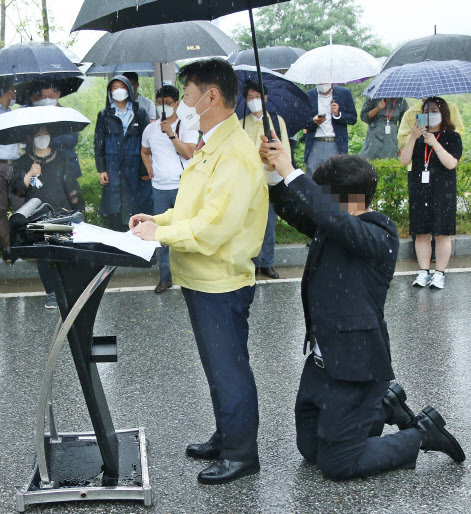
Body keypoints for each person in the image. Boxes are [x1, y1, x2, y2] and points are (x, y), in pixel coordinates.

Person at [259, 130, 465, 480]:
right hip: (323, 363)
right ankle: (385, 406)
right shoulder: (334, 223)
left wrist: (293, 171)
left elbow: (334, 219)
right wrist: (272, 172)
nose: (318, 201)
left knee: (338, 464)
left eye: (325, 195)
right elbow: (295, 208)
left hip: (357, 368)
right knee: (311, 450)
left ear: (349, 200)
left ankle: (421, 434)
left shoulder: (378, 235)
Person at [130, 58, 268, 484]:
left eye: (186, 96)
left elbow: (213, 228)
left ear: (211, 96)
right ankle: (228, 433)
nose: (181, 106)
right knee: (216, 364)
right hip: (202, 278)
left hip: (220, 281)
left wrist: (161, 235)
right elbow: (192, 208)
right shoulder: (211, 143)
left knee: (228, 367)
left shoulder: (235, 153)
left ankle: (242, 453)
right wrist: (159, 223)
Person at [11, 125, 84, 309]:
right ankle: (51, 292)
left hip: (61, 212)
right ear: (30, 137)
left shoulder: (61, 157)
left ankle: (67, 289)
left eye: (45, 134)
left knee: (64, 251)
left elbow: (71, 185)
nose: (42, 138)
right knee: (44, 255)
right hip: (37, 215)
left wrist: (78, 209)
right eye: (38, 135)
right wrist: (29, 174)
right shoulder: (22, 162)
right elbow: (18, 190)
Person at [141, 85, 198, 294]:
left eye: (167, 102)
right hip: (159, 189)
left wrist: (171, 134)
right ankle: (165, 276)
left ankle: (190, 274)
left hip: (183, 187)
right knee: (161, 233)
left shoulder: (189, 125)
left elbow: (189, 153)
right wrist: (149, 167)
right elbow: (145, 151)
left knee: (185, 230)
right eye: (159, 102)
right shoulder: (150, 128)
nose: (162, 106)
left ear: (176, 104)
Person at [400, 97, 462, 289]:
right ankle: (423, 271)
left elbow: (451, 163)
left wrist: (435, 143)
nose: (430, 115)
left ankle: (440, 273)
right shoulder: (418, 137)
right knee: (421, 232)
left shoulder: (452, 137)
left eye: (435, 111)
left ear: (443, 114)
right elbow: (404, 160)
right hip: (420, 189)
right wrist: (413, 137)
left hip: (443, 190)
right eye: (426, 111)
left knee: (442, 233)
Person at [241, 79, 291, 279]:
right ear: (245, 100)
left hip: (269, 180)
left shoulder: (276, 122)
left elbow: (285, 150)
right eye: (250, 97)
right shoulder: (240, 123)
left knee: (268, 224)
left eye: (257, 97)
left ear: (266, 98)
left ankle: (268, 263)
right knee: (249, 224)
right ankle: (251, 262)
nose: (254, 101)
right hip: (247, 182)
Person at [94, 75, 153, 231]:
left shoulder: (139, 112)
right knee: (114, 204)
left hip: (134, 166)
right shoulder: (104, 114)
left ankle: (136, 242)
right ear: (110, 92)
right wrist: (102, 169)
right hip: (112, 166)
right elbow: (99, 143)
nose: (119, 90)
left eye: (122, 86)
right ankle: (116, 244)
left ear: (129, 88)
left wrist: (145, 168)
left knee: (135, 203)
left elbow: (146, 141)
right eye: (115, 87)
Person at [29, 82, 82, 179]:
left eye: (51, 96)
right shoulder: (37, 116)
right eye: (44, 97)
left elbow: (72, 139)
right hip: (46, 166)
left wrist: (48, 139)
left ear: (58, 94)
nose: (47, 99)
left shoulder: (67, 114)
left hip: (68, 164)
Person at [304, 83, 357, 176]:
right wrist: (313, 121)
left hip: (336, 143)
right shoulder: (308, 95)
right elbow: (302, 121)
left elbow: (353, 118)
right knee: (313, 178)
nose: (322, 83)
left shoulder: (344, 93)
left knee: (337, 177)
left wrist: (338, 114)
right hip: (315, 144)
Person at [0, 79, 23, 263]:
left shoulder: (12, 114)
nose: (15, 93)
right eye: (13, 90)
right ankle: (8, 249)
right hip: (0, 165)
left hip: (15, 165)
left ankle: (21, 245)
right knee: (0, 210)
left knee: (20, 207)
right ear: (6, 91)